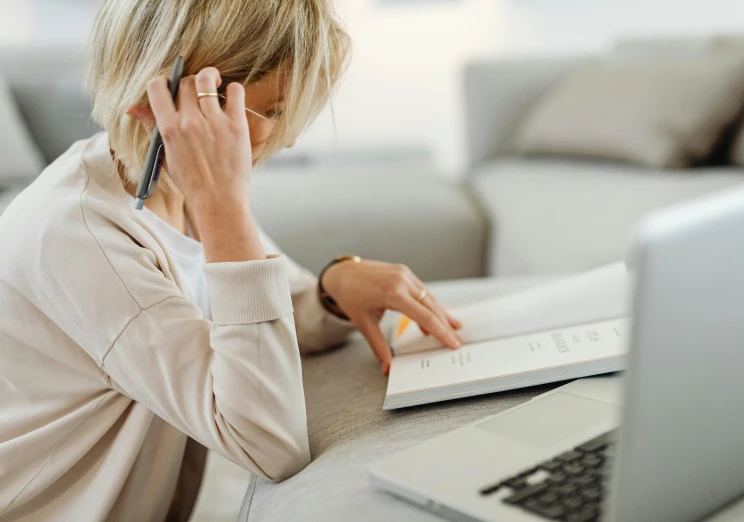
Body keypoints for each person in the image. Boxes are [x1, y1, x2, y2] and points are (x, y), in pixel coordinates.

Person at [0, 1, 464, 520]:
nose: (286, 139)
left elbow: (273, 314)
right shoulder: (83, 239)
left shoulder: (169, 188)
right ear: (177, 101)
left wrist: (332, 289)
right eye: (278, 110)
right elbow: (269, 443)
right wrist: (224, 206)